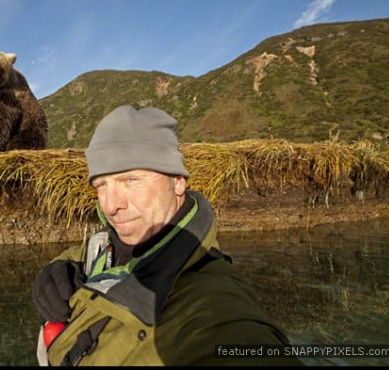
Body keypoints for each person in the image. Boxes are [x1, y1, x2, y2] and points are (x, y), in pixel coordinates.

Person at [32, 105, 303, 366]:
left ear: (177, 182)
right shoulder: (106, 244)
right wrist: (58, 268)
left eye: (130, 180)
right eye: (101, 185)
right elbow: (87, 252)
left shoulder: (215, 310)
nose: (110, 204)